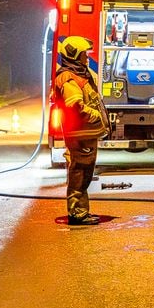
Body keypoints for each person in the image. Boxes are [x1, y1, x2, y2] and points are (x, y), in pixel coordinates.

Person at [51, 35, 110, 226]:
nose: (87, 57)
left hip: (84, 134)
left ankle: (80, 212)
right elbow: (75, 105)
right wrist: (94, 115)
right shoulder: (69, 78)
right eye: (84, 54)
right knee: (80, 175)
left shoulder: (78, 74)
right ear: (74, 55)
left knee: (83, 174)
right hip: (80, 135)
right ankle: (77, 214)